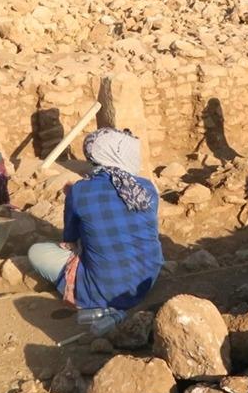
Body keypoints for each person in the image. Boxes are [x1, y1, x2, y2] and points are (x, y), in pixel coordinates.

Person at [28, 128, 163, 335]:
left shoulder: (80, 190)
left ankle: (86, 299)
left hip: (104, 290)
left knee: (36, 252)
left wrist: (72, 198)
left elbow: (70, 240)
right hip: (145, 280)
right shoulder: (146, 187)